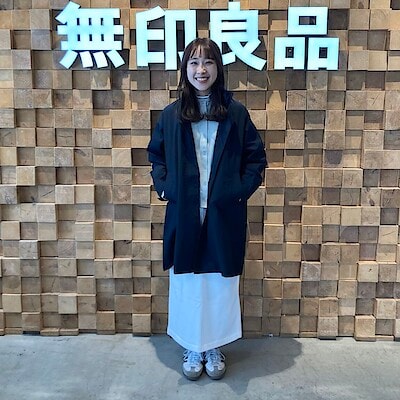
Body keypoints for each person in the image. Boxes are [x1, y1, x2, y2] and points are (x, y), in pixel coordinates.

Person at [147, 38, 267, 380]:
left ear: (218, 68)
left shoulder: (235, 113)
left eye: (209, 62)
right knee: (187, 284)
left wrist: (237, 192)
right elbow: (156, 156)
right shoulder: (171, 114)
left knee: (218, 285)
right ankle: (192, 345)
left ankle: (214, 346)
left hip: (222, 214)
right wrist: (166, 188)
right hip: (185, 213)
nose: (202, 70)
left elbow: (256, 159)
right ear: (185, 69)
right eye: (195, 63)